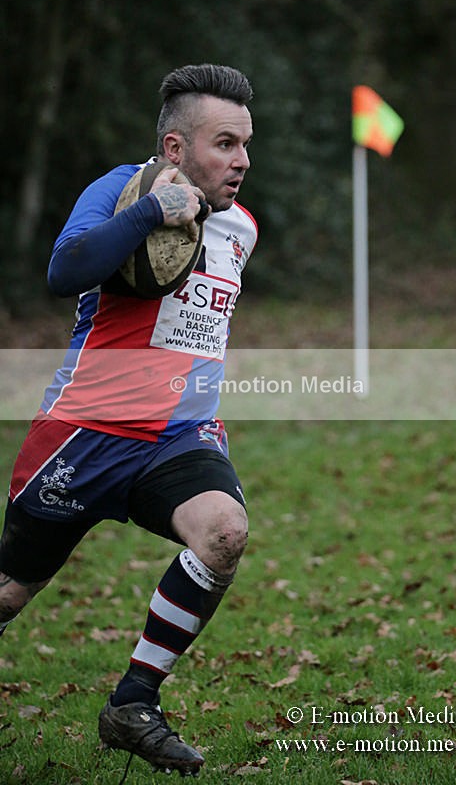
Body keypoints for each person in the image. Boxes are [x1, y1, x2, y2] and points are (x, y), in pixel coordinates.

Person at [0, 63, 257, 778]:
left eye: (244, 145)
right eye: (224, 144)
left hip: (180, 437)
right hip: (86, 432)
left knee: (224, 533)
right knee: (12, 591)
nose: (240, 161)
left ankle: (133, 703)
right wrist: (149, 213)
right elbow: (64, 271)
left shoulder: (241, 227)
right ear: (175, 149)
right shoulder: (121, 188)